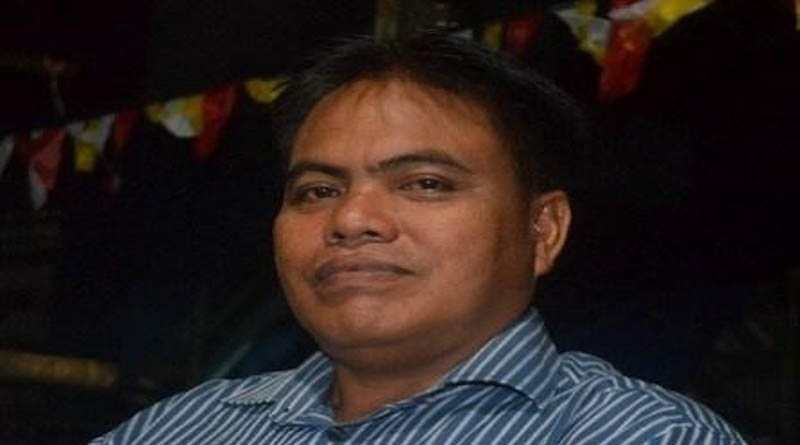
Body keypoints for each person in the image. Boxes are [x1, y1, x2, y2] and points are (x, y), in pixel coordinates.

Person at [91, 33, 746, 444]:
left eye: (426, 183)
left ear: (542, 230)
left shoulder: (644, 435)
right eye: (316, 191)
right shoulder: (179, 428)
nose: (352, 219)